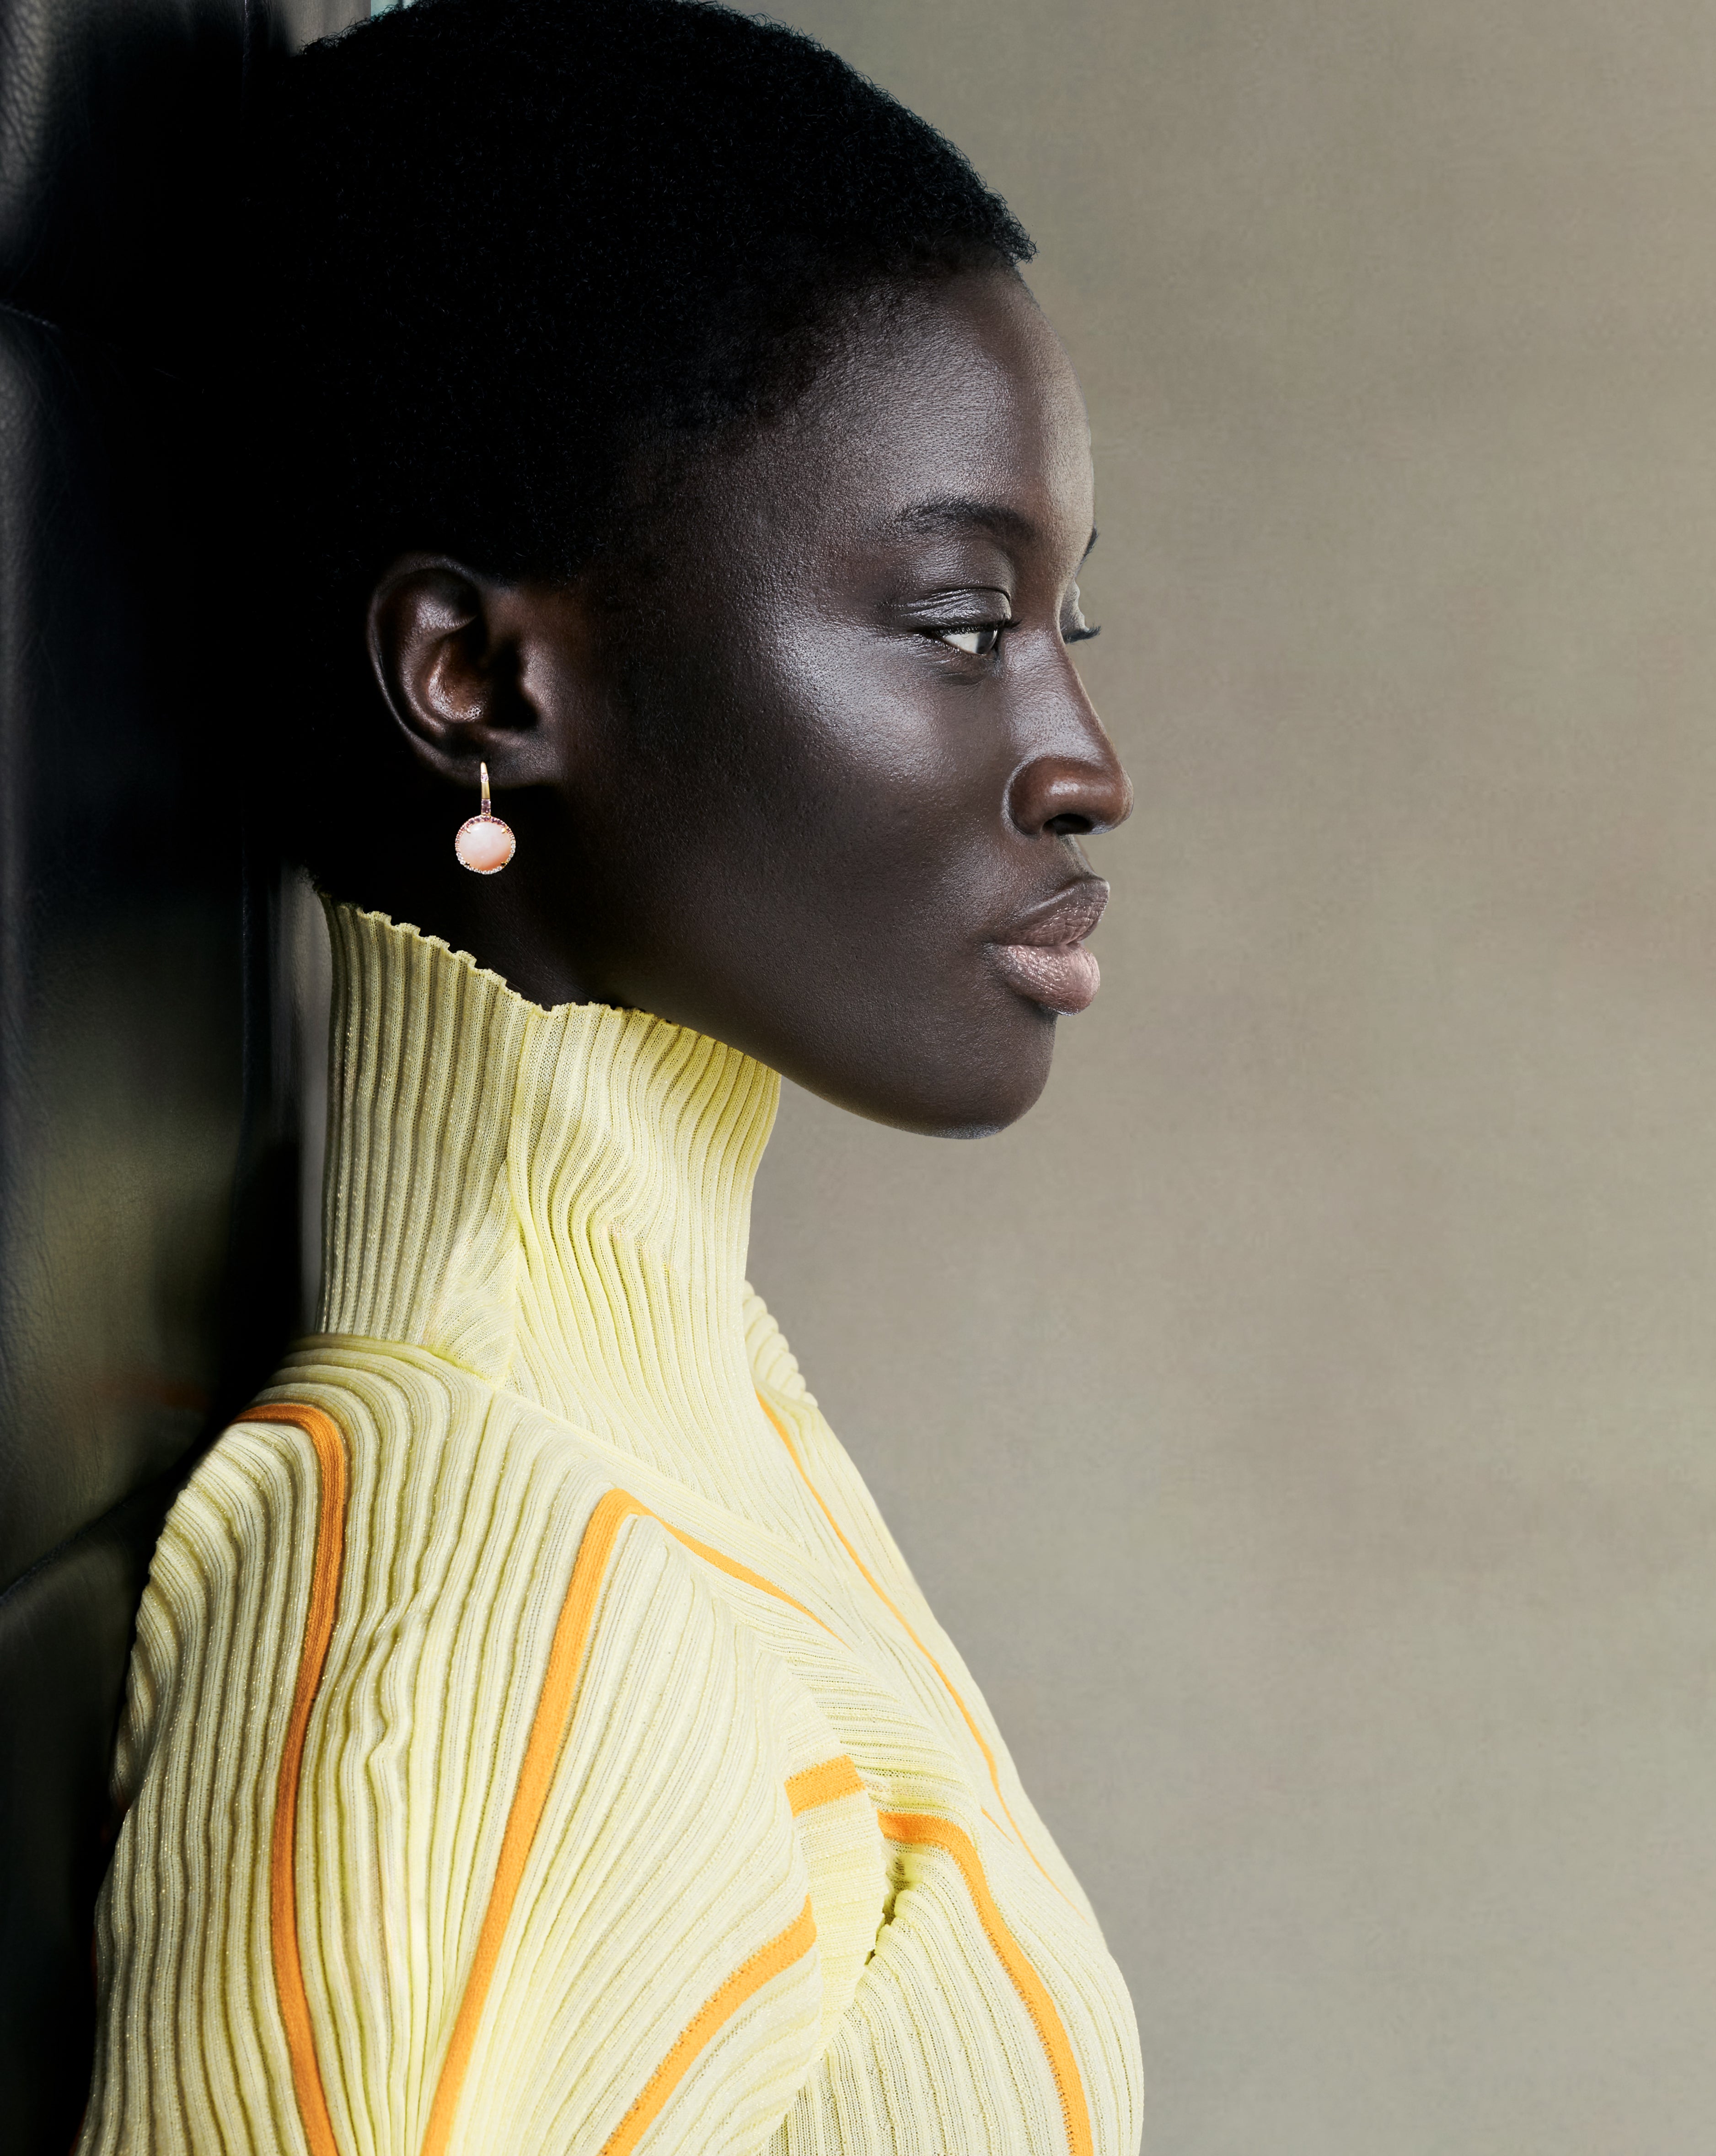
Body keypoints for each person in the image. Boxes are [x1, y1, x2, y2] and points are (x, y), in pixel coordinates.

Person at [79, 2, 1141, 2150]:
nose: (1081, 767)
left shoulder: (681, 1410)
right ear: (477, 681)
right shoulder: (488, 1567)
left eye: (1063, 629)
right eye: (954, 619)